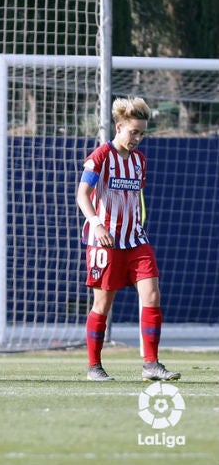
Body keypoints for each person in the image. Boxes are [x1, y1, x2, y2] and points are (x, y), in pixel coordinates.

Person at [76, 97, 181, 382]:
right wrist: (96, 224)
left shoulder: (139, 161)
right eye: (133, 132)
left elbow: (134, 198)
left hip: (136, 241)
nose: (138, 138)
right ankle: (94, 367)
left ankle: (151, 364)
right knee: (103, 305)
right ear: (119, 126)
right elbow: (82, 194)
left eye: (142, 133)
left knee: (152, 295)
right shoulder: (101, 156)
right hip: (105, 243)